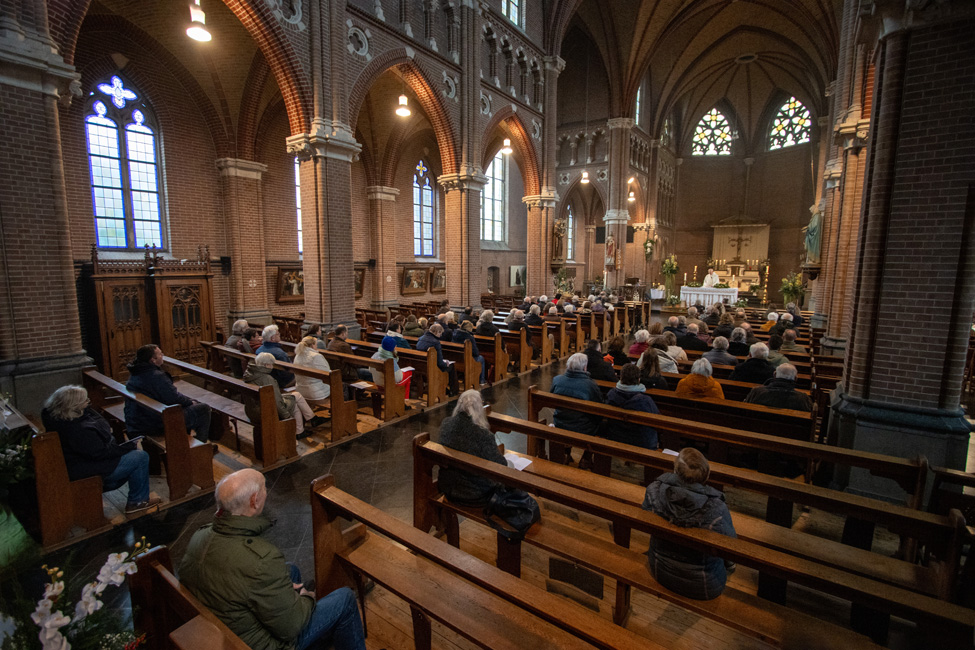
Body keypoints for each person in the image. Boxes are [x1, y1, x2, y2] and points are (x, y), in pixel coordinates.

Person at [179, 469, 365, 650]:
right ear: (254, 500)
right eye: (264, 488)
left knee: (291, 570)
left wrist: (287, 593)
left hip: (222, 620)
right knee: (345, 599)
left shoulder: (200, 534)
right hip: (259, 644)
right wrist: (307, 598)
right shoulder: (263, 558)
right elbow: (291, 627)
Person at [42, 385, 160, 514]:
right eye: (85, 401)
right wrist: (129, 446)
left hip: (74, 463)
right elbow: (101, 453)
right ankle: (137, 502)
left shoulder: (55, 416)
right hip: (86, 470)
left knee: (133, 455)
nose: (88, 403)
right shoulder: (79, 430)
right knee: (140, 457)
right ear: (74, 406)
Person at [642, 448, 737, 600]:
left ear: (675, 470)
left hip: (660, 569)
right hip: (703, 585)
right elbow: (731, 546)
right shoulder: (716, 507)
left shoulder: (654, 490)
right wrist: (730, 565)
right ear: (706, 476)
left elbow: (645, 516)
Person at [125, 344, 211, 442]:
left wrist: (188, 401)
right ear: (153, 360)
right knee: (204, 409)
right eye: (160, 354)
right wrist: (190, 402)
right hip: (156, 422)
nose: (163, 355)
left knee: (188, 405)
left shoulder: (136, 372)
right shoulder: (156, 376)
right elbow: (173, 398)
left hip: (140, 419)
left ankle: (184, 442)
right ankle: (200, 445)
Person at [437, 390, 507, 505]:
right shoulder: (483, 435)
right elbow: (501, 467)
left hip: (447, 486)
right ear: (479, 410)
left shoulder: (446, 424)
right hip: (473, 493)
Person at [244, 352, 324, 438]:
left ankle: (311, 419)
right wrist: (286, 416)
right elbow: (277, 401)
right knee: (295, 404)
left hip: (252, 409)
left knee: (296, 395)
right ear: (266, 365)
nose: (272, 367)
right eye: (271, 364)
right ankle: (300, 431)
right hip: (264, 411)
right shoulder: (267, 379)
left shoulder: (249, 373)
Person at [604, 363, 660, 449]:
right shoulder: (645, 401)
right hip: (641, 442)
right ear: (638, 379)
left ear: (621, 378)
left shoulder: (612, 394)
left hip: (615, 436)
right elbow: (657, 421)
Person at [551, 352, 604, 439]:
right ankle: (587, 452)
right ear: (584, 368)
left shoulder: (557, 380)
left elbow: (552, 400)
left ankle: (567, 451)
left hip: (560, 422)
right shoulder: (590, 385)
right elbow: (599, 407)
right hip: (582, 427)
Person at [744, 363, 813, 411]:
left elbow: (745, 407)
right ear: (795, 379)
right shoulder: (803, 399)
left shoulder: (756, 392)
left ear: (774, 375)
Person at [417, 323, 459, 396]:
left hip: (421, 366)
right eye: (441, 333)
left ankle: (446, 389)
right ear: (437, 332)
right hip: (432, 368)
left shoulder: (421, 338)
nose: (441, 335)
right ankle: (454, 391)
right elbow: (440, 363)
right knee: (451, 367)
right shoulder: (436, 342)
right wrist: (446, 364)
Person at [293, 336, 331, 405]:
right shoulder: (316, 356)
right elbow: (327, 372)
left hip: (300, 389)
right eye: (316, 344)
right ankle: (339, 410)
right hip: (314, 392)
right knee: (339, 385)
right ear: (312, 345)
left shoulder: (298, 355)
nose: (317, 346)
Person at [256, 325, 296, 390]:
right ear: (272, 338)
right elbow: (289, 370)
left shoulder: (259, 350)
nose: (279, 334)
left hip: (265, 378)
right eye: (277, 334)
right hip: (280, 382)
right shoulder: (280, 354)